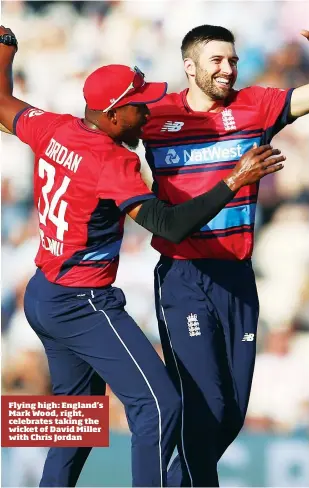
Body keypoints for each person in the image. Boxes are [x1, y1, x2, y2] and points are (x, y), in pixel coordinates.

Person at [0, 25, 286, 488]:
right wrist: (233, 181)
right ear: (113, 115)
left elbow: (2, 102)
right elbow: (170, 226)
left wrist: (4, 51)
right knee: (159, 406)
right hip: (82, 301)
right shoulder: (111, 161)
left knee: (76, 425)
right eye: (139, 106)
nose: (146, 112)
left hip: (44, 293)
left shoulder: (54, 127)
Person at [141, 24, 309, 487]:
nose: (227, 68)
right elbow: (96, 127)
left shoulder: (254, 105)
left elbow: (303, 99)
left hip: (237, 275)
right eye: (216, 60)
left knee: (231, 413)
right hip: (183, 276)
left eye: (232, 60)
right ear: (189, 66)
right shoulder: (154, 115)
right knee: (205, 406)